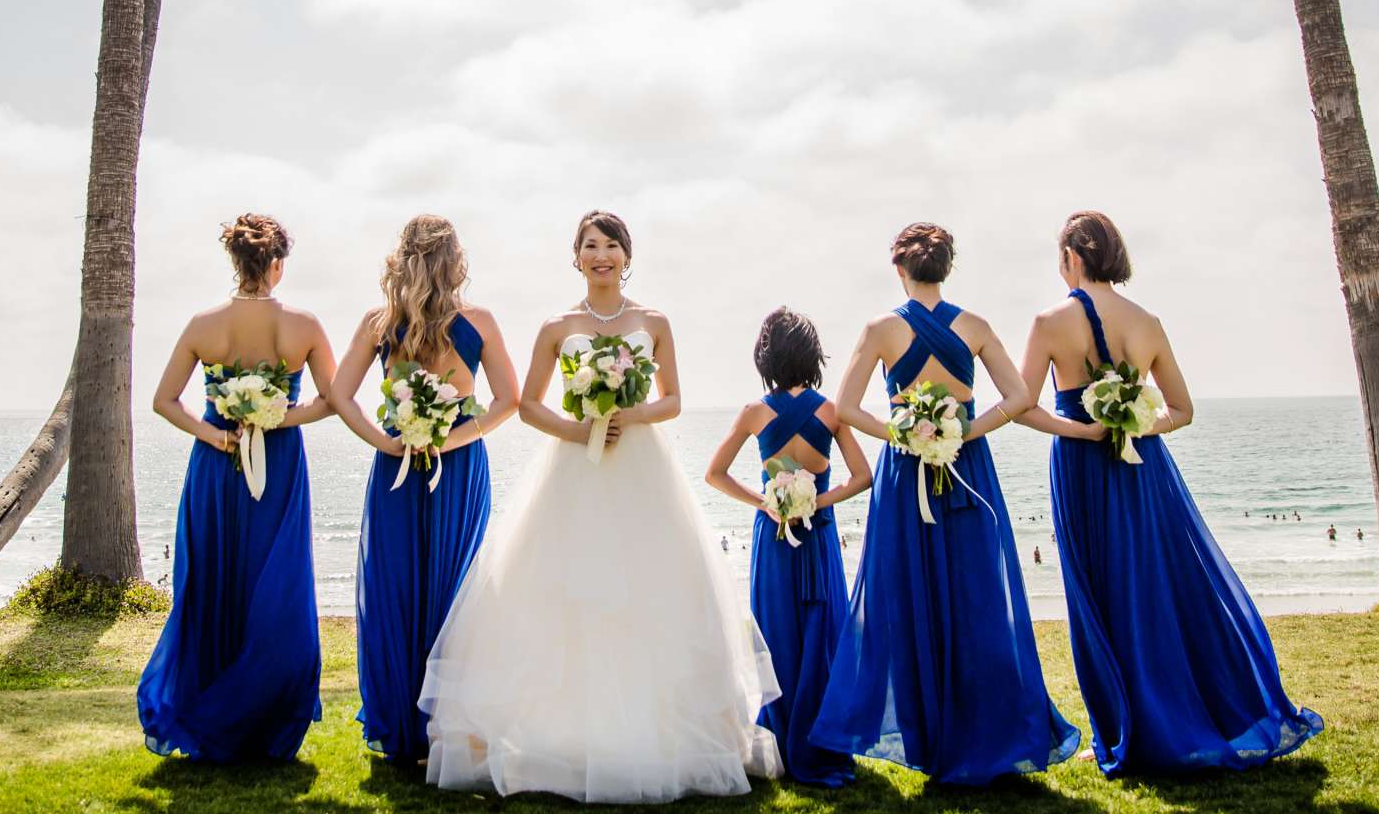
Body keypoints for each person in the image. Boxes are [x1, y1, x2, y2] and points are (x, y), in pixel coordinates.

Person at [422, 210, 780, 800]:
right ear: (576, 257)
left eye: (611, 245)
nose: (601, 255)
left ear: (626, 256)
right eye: (590, 246)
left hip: (641, 467)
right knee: (567, 589)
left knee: (650, 588)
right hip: (574, 468)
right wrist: (576, 428)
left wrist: (626, 416)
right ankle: (563, 737)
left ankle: (656, 734)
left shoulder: (654, 320)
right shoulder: (557, 326)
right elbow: (531, 403)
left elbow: (673, 401)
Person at [1017, 210, 1320, 776]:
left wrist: (1087, 429)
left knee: (1099, 595)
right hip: (1142, 469)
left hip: (1082, 468)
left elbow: (1024, 407)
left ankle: (1123, 730)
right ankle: (1182, 713)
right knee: (1155, 587)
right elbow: (1182, 411)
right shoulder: (1147, 321)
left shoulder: (1049, 321)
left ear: (1073, 257)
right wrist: (1133, 424)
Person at [812, 223, 1080, 783]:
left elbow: (845, 408)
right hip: (968, 469)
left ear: (900, 269)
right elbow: (1021, 397)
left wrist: (905, 437)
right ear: (947, 268)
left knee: (908, 600)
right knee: (976, 596)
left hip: (906, 475)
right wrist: (965, 432)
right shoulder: (976, 325)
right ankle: (986, 730)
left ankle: (930, 740)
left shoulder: (882, 329)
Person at [136, 212, 337, 762]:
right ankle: (267, 715)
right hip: (278, 468)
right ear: (277, 265)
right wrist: (278, 417)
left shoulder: (204, 324)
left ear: (235, 263)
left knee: (215, 581)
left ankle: (209, 706)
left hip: (215, 464)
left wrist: (216, 433)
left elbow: (164, 400)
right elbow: (331, 401)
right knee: (276, 583)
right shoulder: (304, 325)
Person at [324, 214, 519, 767]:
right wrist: (453, 439)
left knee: (397, 587)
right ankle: (448, 727)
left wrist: (387, 445)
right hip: (454, 468)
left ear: (401, 259)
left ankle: (405, 726)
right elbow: (508, 402)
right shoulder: (477, 321)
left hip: (399, 469)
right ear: (455, 261)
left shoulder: (379, 322)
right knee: (456, 589)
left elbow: (342, 397)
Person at [705, 307, 872, 788]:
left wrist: (764, 502)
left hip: (773, 537)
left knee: (776, 634)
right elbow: (863, 476)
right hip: (818, 533)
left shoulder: (755, 413)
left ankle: (779, 737)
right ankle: (821, 739)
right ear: (812, 355)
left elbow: (714, 474)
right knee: (822, 632)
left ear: (766, 357)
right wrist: (820, 498)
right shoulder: (830, 411)